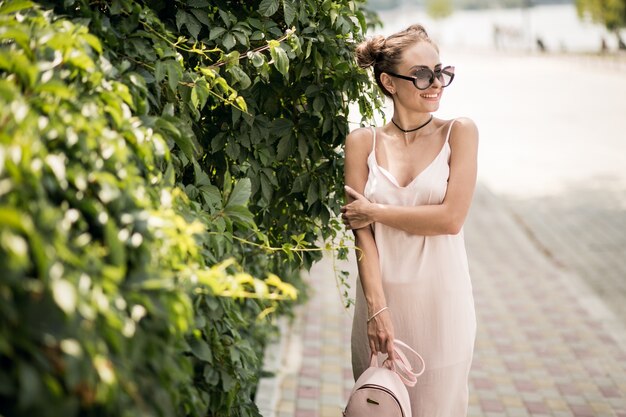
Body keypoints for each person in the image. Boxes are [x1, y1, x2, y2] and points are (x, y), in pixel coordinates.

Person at [341, 24, 478, 417]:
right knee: (376, 408)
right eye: (421, 74)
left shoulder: (460, 133)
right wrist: (376, 309)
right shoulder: (362, 142)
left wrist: (376, 211)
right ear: (388, 81)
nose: (435, 83)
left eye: (440, 72)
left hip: (443, 307)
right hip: (381, 309)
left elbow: (450, 219)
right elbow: (361, 233)